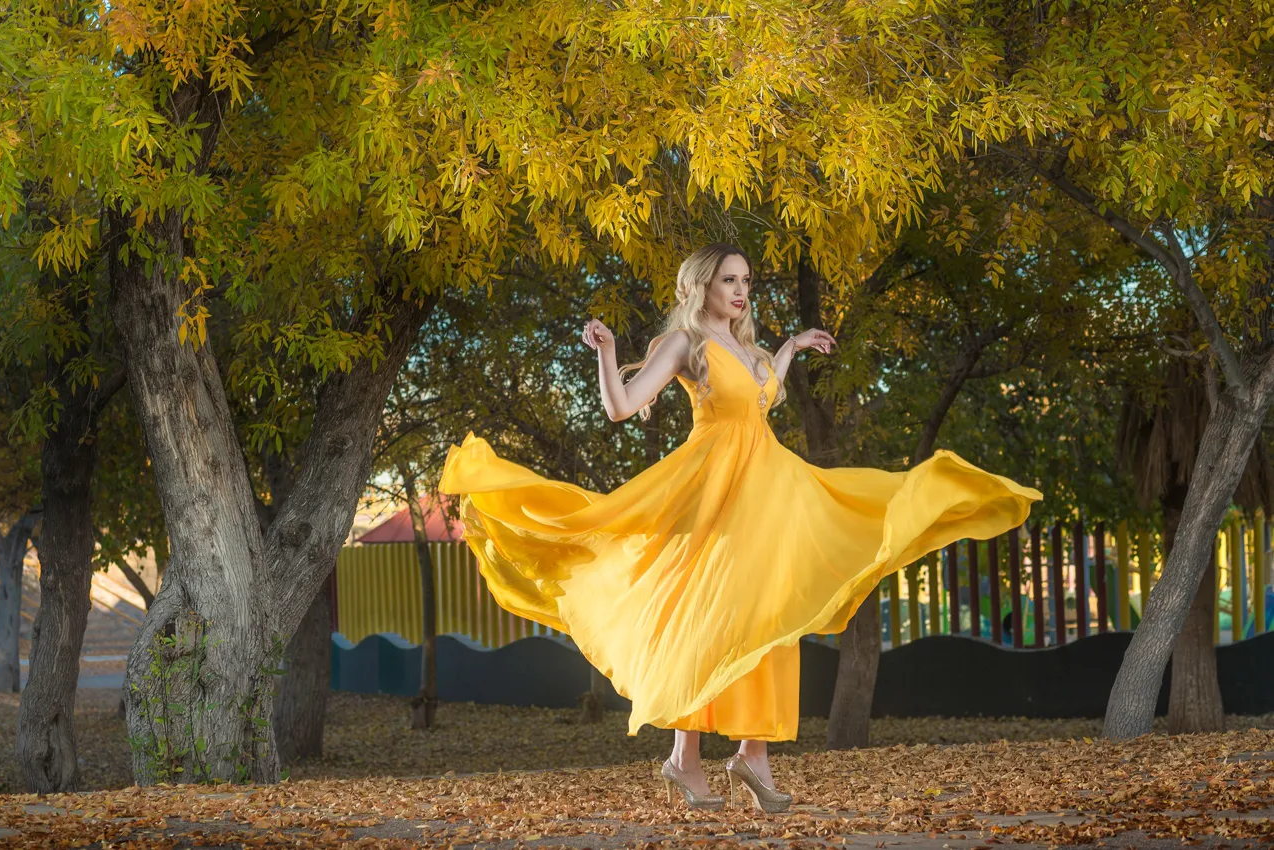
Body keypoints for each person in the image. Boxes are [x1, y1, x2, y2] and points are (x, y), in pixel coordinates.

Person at [438, 242, 1042, 813]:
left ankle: (754, 755)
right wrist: (607, 350)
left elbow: (761, 399)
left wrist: (791, 347)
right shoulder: (685, 343)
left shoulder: (749, 350)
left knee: (771, 615)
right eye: (729, 279)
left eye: (747, 281)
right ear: (701, 285)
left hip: (770, 493)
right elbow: (621, 406)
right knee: (713, 618)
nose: (741, 290)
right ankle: (685, 757)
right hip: (715, 497)